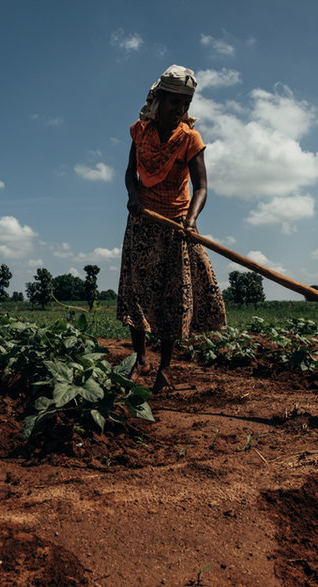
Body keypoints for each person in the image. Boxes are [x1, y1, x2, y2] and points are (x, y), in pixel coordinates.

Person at [117, 65, 227, 392]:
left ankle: (165, 366)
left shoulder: (189, 138)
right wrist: (133, 196)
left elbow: (202, 186)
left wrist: (190, 220)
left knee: (172, 296)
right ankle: (140, 359)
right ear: (159, 99)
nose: (180, 110)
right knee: (136, 292)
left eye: (186, 104)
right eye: (174, 103)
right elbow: (129, 174)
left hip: (175, 224)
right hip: (142, 223)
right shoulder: (141, 132)